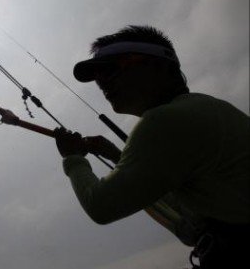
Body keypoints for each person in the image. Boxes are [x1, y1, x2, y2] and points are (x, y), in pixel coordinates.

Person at [53, 25, 249, 268]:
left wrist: (73, 158)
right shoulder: (210, 107)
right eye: (97, 77)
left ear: (159, 64)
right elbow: (166, 187)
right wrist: (116, 155)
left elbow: (101, 206)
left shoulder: (163, 121)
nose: (102, 82)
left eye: (112, 68)